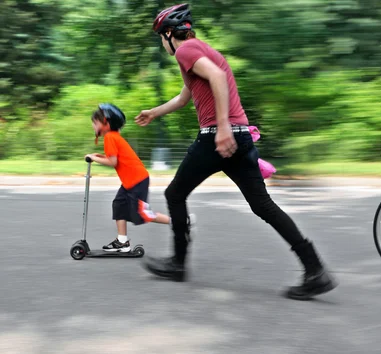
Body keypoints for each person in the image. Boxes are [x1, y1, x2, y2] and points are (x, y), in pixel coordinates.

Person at [134, 3, 337, 300]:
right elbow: (185, 96)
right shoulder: (202, 50)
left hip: (218, 137)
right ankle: (315, 270)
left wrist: (223, 128)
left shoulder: (185, 50)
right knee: (263, 206)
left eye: (160, 37)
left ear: (168, 33)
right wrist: (155, 112)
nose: (161, 43)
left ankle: (177, 264)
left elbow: (216, 78)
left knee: (174, 195)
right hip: (241, 139)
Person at [86, 103, 188, 252]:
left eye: (95, 123)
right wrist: (97, 156)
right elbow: (115, 158)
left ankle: (180, 222)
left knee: (143, 213)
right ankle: (122, 242)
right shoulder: (113, 136)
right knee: (118, 205)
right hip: (131, 181)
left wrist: (93, 158)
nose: (93, 126)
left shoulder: (110, 138)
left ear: (106, 123)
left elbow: (112, 162)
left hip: (136, 181)